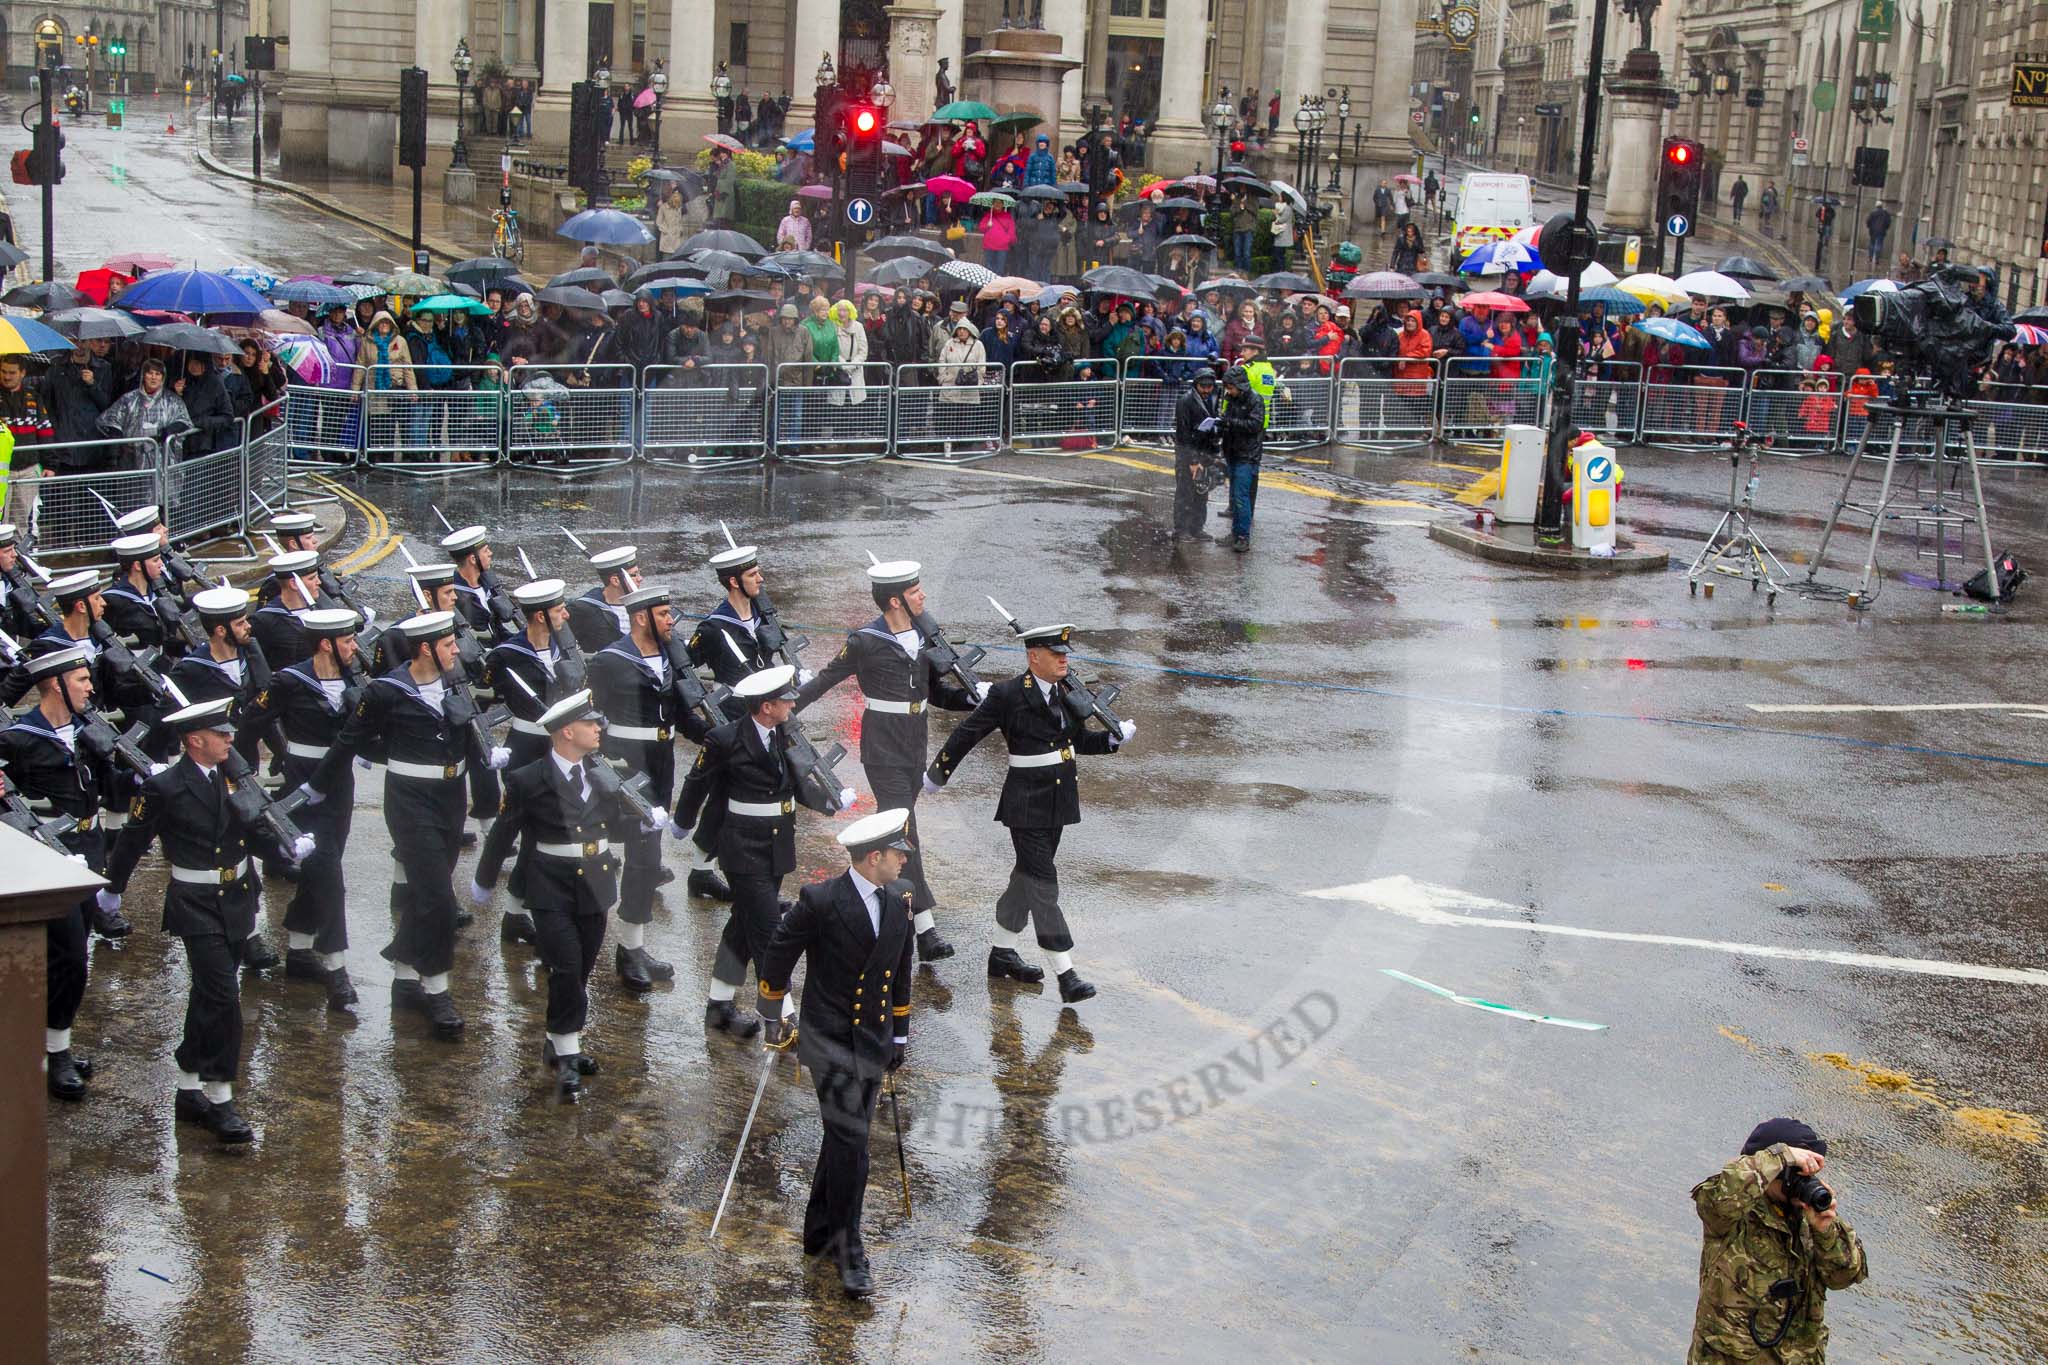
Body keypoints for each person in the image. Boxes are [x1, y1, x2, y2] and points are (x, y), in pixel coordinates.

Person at [103, 698, 312, 1144]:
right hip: (195, 903)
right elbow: (132, 842)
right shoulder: (165, 787)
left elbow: (254, 834)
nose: (231, 739)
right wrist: (112, 889)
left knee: (206, 996)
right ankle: (220, 1097)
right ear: (195, 740)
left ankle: (187, 1087)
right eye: (221, 733)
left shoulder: (233, 781)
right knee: (223, 997)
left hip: (237, 897)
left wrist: (286, 846)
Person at [307, 610, 510, 1040]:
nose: (457, 650)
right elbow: (352, 738)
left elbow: (472, 736)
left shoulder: (454, 682)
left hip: (451, 800)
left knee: (425, 893)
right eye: (449, 644)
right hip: (409, 801)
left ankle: (402, 978)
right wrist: (319, 787)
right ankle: (437, 990)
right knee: (438, 897)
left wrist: (488, 786)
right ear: (425, 648)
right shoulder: (386, 690)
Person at [755, 806, 919, 1298]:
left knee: (844, 1140)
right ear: (874, 858)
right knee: (853, 1146)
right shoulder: (822, 900)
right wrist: (774, 1015)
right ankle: (850, 1249)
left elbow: (901, 970)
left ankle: (819, 1230)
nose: (903, 862)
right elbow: (778, 954)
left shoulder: (899, 901)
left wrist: (900, 1034)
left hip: (871, 1040)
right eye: (897, 855)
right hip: (827, 1040)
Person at [924, 619, 1133, 1001]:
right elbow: (968, 733)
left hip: (1059, 802)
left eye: (1065, 654)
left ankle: (1001, 954)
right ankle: (1066, 975)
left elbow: (1076, 741)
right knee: (1043, 886)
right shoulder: (1008, 695)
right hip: (1025, 805)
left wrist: (1111, 740)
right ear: (1033, 657)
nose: (1063, 660)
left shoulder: (1067, 693)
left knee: (1025, 881)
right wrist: (938, 774)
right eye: (1056, 654)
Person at [472, 688, 665, 1099]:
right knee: (565, 967)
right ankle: (566, 1053)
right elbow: (504, 833)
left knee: (579, 971)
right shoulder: (528, 779)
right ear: (565, 731)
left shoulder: (601, 774)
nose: (598, 728)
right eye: (590, 723)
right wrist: (485, 880)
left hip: (595, 882)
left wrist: (643, 825)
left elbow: (612, 825)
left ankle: (556, 1041)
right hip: (549, 884)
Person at [792, 559, 983, 962]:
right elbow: (827, 678)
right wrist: (780, 711)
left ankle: (875, 897)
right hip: (882, 748)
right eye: (915, 592)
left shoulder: (925, 636)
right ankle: (925, 929)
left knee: (896, 831)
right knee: (906, 829)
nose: (923, 596)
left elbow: (936, 694)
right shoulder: (865, 640)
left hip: (915, 744)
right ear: (895, 600)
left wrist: (971, 695)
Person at [678, 664, 854, 1036]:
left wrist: (829, 802)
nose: (791, 704)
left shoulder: (784, 734)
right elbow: (697, 782)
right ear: (765, 706)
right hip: (741, 845)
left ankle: (719, 1005)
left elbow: (795, 783)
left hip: (775, 844)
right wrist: (683, 820)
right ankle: (781, 1017)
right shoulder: (725, 739)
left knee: (743, 925)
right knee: (768, 931)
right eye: (784, 700)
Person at [584, 582, 711, 987]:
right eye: (662, 614)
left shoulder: (673, 658)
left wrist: (717, 737)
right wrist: (600, 765)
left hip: (660, 766)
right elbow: (590, 718)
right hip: (622, 768)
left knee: (645, 859)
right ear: (641, 618)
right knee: (599, 854)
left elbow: (681, 715)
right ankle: (574, 934)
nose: (670, 620)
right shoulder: (610, 661)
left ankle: (631, 947)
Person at [237, 607, 365, 1011]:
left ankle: (298, 950)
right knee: (330, 876)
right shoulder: (289, 681)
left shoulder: (355, 679)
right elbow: (250, 725)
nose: (355, 648)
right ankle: (337, 970)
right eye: (348, 641)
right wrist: (239, 779)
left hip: (340, 787)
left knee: (321, 869)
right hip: (303, 789)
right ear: (326, 644)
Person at [0, 647, 114, 1099]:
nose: (90, 686)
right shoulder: (19, 738)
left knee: (77, 952)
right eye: (82, 679)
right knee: (66, 954)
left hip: (89, 845)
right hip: (47, 857)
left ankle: (54, 1045)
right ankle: (52, 1053)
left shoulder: (90, 730)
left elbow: (109, 786)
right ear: (55, 685)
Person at [1690, 1116, 1867, 1362]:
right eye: (1796, 1173)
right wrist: (1781, 1156)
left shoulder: (1812, 1216)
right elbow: (1724, 1193)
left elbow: (1844, 1276)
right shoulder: (1732, 1214)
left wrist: (1825, 1230)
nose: (1803, 1182)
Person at [0, 354, 51, 534]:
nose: (7, 376)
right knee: (1, 520)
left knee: (23, 519)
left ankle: (21, 558)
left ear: (22, 373)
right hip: (2, 470)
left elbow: (45, 430)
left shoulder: (33, 397)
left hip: (29, 468)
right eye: (3, 371)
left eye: (12, 372)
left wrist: (50, 464)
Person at [1172, 366, 1223, 539]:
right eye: (1203, 387)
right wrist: (1193, 460)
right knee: (1185, 492)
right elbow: (1183, 434)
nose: (1207, 390)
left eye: (1209, 387)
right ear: (1196, 385)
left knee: (1202, 491)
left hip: (1204, 450)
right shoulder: (1185, 401)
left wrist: (1214, 451)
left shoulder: (1214, 398)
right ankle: (1181, 529)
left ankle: (1197, 527)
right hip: (1188, 452)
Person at [567, 544, 642, 653]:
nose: (640, 579)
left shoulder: (645, 604)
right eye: (634, 575)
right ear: (615, 581)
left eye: (639, 573)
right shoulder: (583, 610)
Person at [1865, 201, 1891, 269]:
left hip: (1873, 231)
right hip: (1881, 231)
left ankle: (1870, 258)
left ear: (1876, 206)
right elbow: (1888, 222)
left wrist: (1869, 227)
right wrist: (1885, 228)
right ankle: (1877, 260)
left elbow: (1868, 221)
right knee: (1879, 245)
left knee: (1872, 244)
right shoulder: (1885, 213)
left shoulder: (1873, 213)